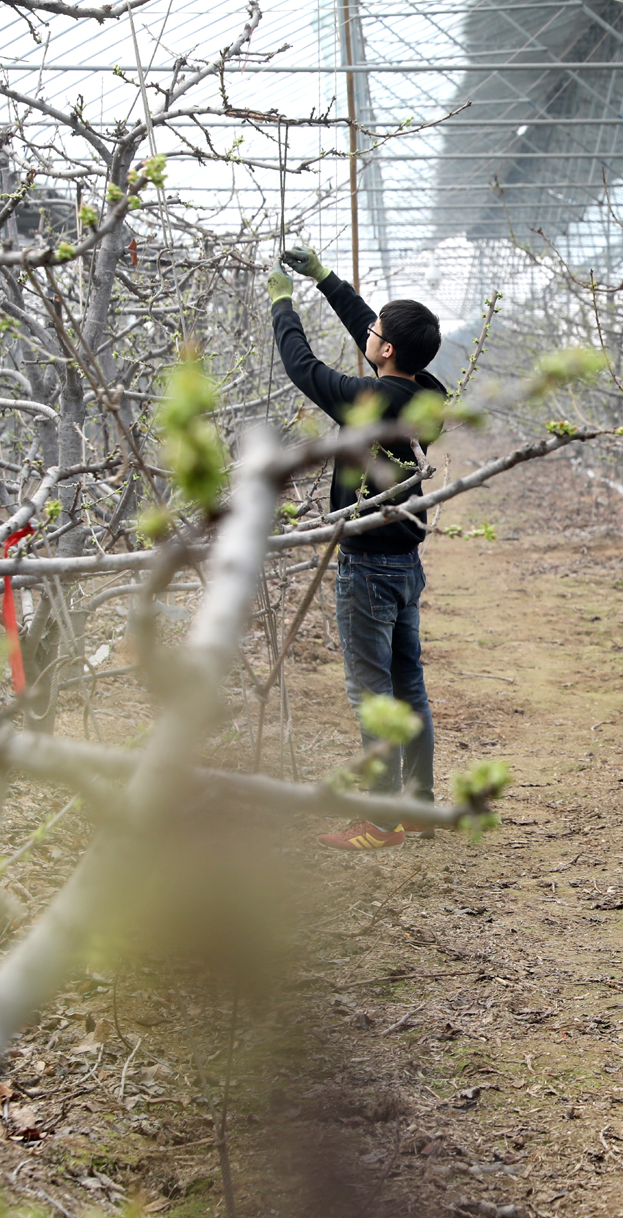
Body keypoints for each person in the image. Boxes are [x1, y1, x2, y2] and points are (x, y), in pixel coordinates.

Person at [268, 247, 446, 850]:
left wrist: (282, 304)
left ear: (389, 350)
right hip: (407, 564)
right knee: (408, 686)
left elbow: (303, 366)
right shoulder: (426, 397)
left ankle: (380, 822)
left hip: (367, 568)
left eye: (375, 334)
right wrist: (329, 283)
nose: (368, 334)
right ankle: (418, 806)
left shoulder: (369, 401)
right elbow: (380, 335)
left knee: (372, 694)